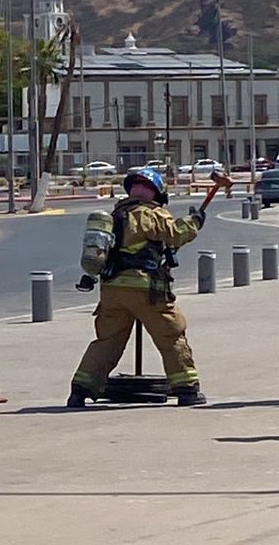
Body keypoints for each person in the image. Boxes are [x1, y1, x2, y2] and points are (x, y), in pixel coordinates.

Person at [67, 166, 205, 407]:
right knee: (170, 335)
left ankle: (80, 390)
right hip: (146, 289)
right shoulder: (150, 214)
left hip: (112, 291)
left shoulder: (115, 215)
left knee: (107, 341)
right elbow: (174, 234)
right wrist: (194, 222)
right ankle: (186, 390)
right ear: (155, 194)